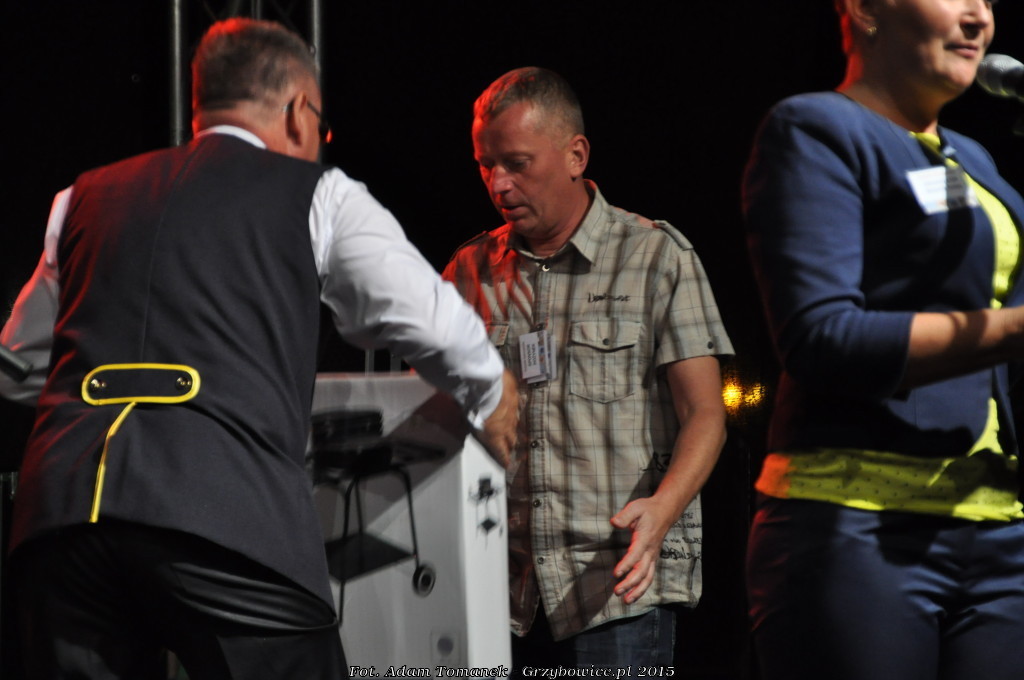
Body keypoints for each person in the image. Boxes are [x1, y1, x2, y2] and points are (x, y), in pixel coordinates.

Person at [0, 18, 517, 680]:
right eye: (322, 127)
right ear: (300, 112)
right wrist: (493, 391)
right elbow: (436, 324)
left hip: (62, 523)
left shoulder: (81, 198)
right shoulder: (319, 195)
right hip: (223, 517)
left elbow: (18, 365)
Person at [743, 1, 1024, 679]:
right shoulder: (816, 127)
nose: (978, 17)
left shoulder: (975, 159)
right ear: (866, 9)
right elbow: (821, 339)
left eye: (988, 0)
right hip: (856, 526)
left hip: (998, 530)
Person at [443, 67, 732, 670]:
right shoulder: (469, 273)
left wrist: (663, 509)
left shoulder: (656, 257)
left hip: (615, 584)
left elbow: (706, 414)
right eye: (485, 165)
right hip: (502, 591)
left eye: (516, 163)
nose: (498, 183)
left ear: (576, 155)